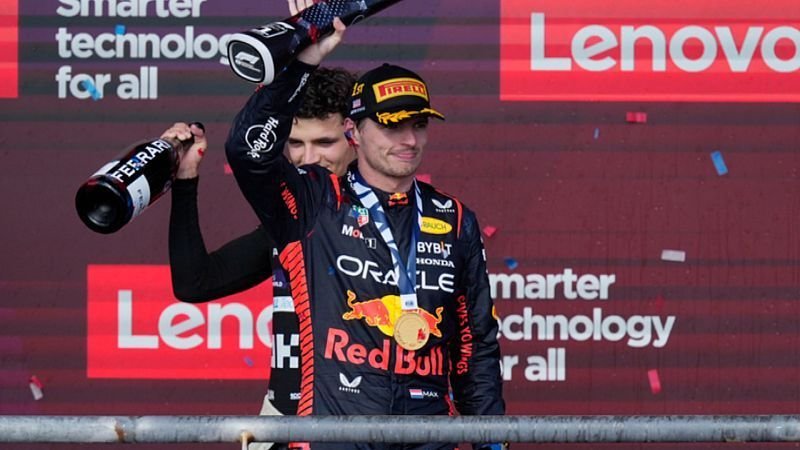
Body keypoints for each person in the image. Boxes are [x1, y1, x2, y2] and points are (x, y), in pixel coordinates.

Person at [225, 17, 505, 450]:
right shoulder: (316, 202)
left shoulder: (454, 218)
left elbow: (476, 349)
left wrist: (492, 445)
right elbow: (247, 151)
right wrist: (301, 66)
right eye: (392, 125)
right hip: (332, 437)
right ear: (353, 131)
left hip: (430, 438)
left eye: (419, 124)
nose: (409, 140)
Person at [161, 65, 357, 449]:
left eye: (324, 142)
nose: (308, 158)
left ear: (356, 137)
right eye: (295, 144)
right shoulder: (291, 222)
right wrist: (185, 179)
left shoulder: (396, 222)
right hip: (281, 424)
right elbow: (195, 282)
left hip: (354, 428)